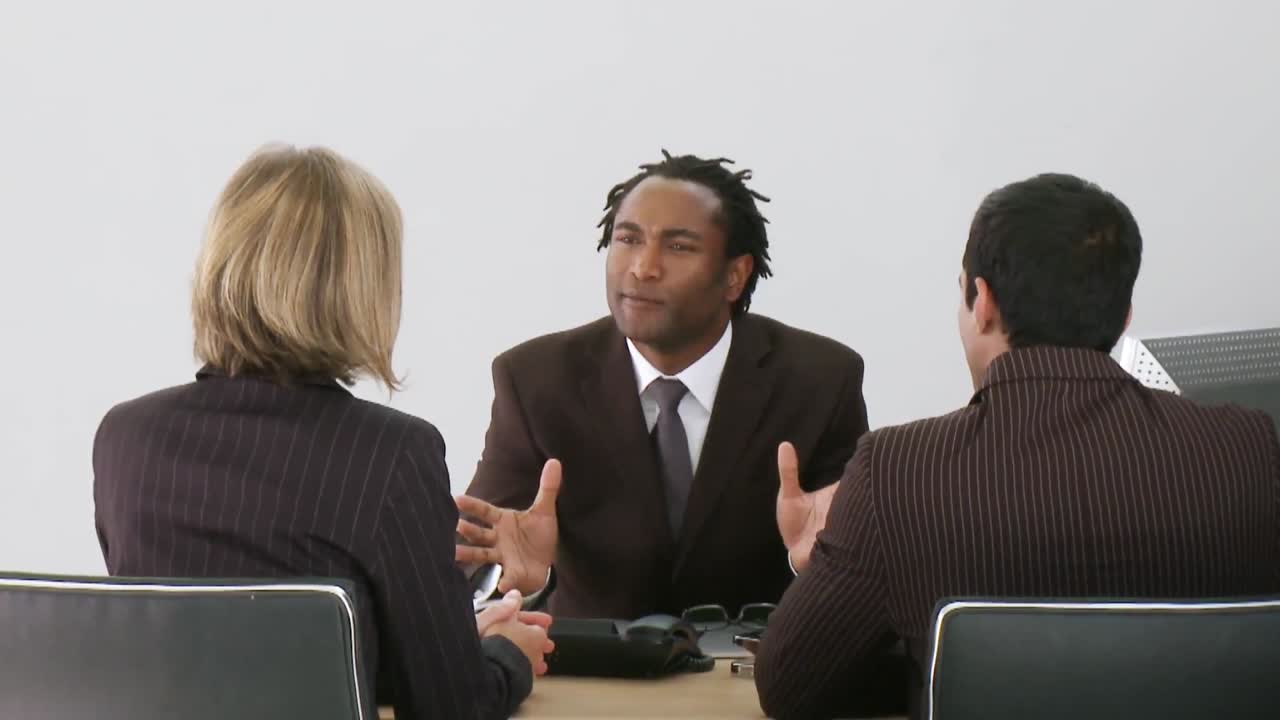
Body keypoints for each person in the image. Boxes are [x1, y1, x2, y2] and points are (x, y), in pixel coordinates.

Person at [754, 173, 1280, 719]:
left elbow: (791, 687)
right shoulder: (1249, 448)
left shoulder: (898, 470)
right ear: (1124, 317)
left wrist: (822, 564)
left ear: (981, 301)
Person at [92, 145, 552, 720]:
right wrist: (505, 654)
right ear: (363, 289)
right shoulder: (393, 452)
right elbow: (450, 706)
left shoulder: (125, 437)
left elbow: (214, 650)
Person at [455, 151, 870, 619]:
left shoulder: (820, 380)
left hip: (756, 673)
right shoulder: (535, 380)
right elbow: (478, 559)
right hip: (592, 673)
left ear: (735, 275)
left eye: (678, 247)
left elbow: (857, 575)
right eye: (628, 239)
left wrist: (819, 566)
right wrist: (519, 584)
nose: (642, 268)